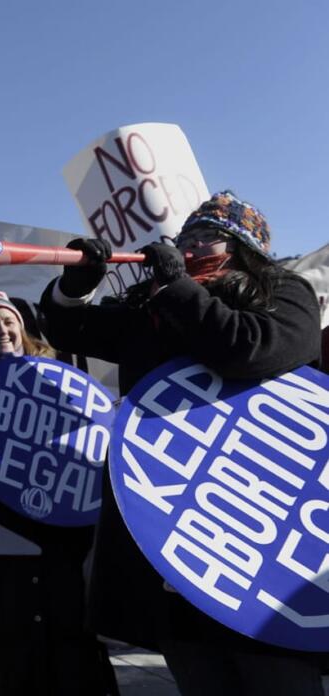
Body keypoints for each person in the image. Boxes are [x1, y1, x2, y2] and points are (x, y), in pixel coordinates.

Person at [40, 191, 324, 695]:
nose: (189, 245)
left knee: (275, 679)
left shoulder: (283, 292)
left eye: (203, 237)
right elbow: (73, 329)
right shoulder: (156, 304)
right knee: (199, 673)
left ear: (241, 247)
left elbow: (247, 349)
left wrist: (175, 286)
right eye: (185, 236)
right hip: (178, 523)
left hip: (261, 528)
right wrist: (72, 288)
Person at [0, 290, 117, 696]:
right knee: (12, 638)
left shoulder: (54, 373)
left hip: (62, 530)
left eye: (8, 321)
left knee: (72, 633)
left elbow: (91, 443)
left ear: (22, 327)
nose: (2, 330)